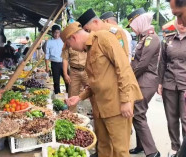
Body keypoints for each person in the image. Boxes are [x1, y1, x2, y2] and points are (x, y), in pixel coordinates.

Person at [61, 22, 143, 157]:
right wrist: (79, 97)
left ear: (73, 38)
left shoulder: (103, 38)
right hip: (101, 107)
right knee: (104, 148)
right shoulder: (89, 49)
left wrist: (126, 100)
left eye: (70, 46)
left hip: (116, 105)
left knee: (120, 151)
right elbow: (97, 82)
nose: (73, 50)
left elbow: (123, 69)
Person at [127, 8, 161, 157]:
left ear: (140, 21)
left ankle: (153, 152)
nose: (133, 29)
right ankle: (141, 146)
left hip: (146, 81)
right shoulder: (143, 38)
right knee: (138, 113)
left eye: (133, 25)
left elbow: (143, 64)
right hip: (141, 80)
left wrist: (129, 77)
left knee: (138, 113)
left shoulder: (151, 38)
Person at [158, 19, 186, 157]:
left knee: (185, 119)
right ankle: (175, 147)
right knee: (172, 118)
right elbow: (162, 62)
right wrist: (160, 83)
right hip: (169, 84)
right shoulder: (168, 39)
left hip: (185, 86)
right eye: (179, 22)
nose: (182, 24)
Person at [62, 48, 87, 112]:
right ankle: (72, 114)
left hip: (86, 71)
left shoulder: (87, 41)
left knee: (93, 92)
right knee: (72, 93)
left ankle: (96, 115)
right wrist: (65, 74)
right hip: (74, 71)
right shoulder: (67, 43)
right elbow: (65, 59)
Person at [45, 25, 68, 94]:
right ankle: (57, 96)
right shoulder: (49, 42)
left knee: (67, 79)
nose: (56, 34)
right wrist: (47, 67)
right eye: (55, 33)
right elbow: (46, 55)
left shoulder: (63, 40)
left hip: (64, 63)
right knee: (56, 81)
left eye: (58, 32)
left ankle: (69, 95)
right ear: (52, 32)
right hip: (54, 64)